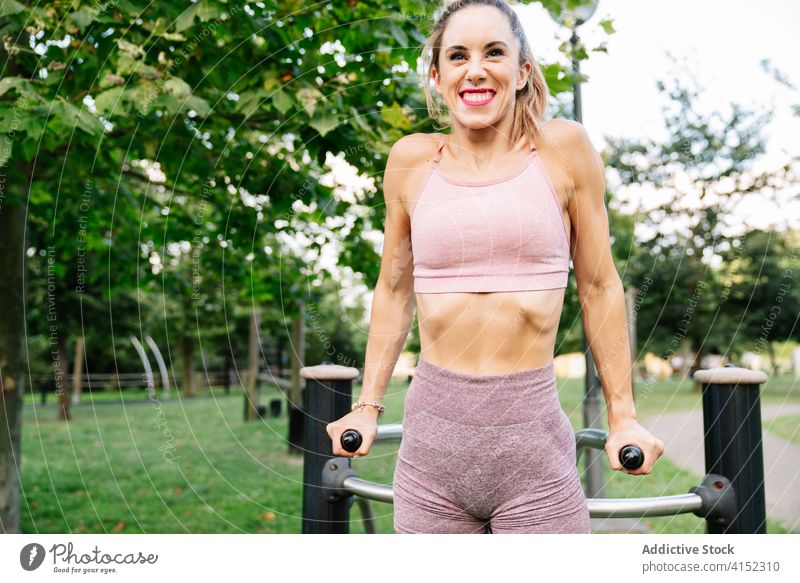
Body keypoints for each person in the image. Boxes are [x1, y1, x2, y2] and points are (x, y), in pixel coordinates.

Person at [326, 0, 665, 534]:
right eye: (457, 55)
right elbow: (393, 289)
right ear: (437, 76)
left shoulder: (563, 150)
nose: (476, 69)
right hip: (431, 456)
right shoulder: (411, 160)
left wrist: (622, 415)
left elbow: (599, 286)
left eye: (494, 52)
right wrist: (367, 406)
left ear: (523, 71)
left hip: (533, 455)